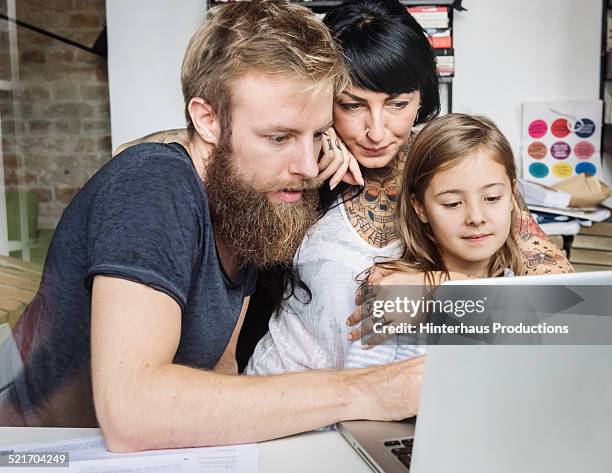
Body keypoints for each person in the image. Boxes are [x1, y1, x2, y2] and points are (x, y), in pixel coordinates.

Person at [0, 0, 425, 450]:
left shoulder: (249, 197)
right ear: (207, 119)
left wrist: (441, 292)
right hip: (37, 450)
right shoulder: (157, 183)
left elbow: (219, 367)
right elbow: (132, 411)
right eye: (280, 137)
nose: (306, 164)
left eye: (318, 134)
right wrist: (366, 390)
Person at [245, 0, 573, 375]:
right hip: (280, 394)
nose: (377, 131)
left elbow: (568, 311)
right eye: (352, 105)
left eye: (398, 104)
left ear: (421, 97)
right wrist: (311, 142)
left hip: (381, 411)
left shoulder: (454, 167)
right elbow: (181, 150)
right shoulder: (293, 164)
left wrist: (437, 287)